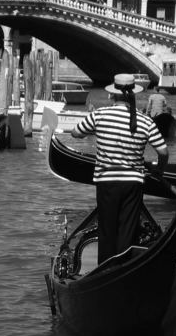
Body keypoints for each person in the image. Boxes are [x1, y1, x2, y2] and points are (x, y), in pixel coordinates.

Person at [71, 74, 169, 265]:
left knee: (107, 230)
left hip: (107, 181)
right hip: (133, 182)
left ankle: (105, 270)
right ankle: (123, 267)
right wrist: (159, 170)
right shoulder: (145, 121)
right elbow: (163, 151)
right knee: (127, 231)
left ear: (111, 95)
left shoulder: (99, 115)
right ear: (133, 95)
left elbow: (75, 133)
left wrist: (96, 130)